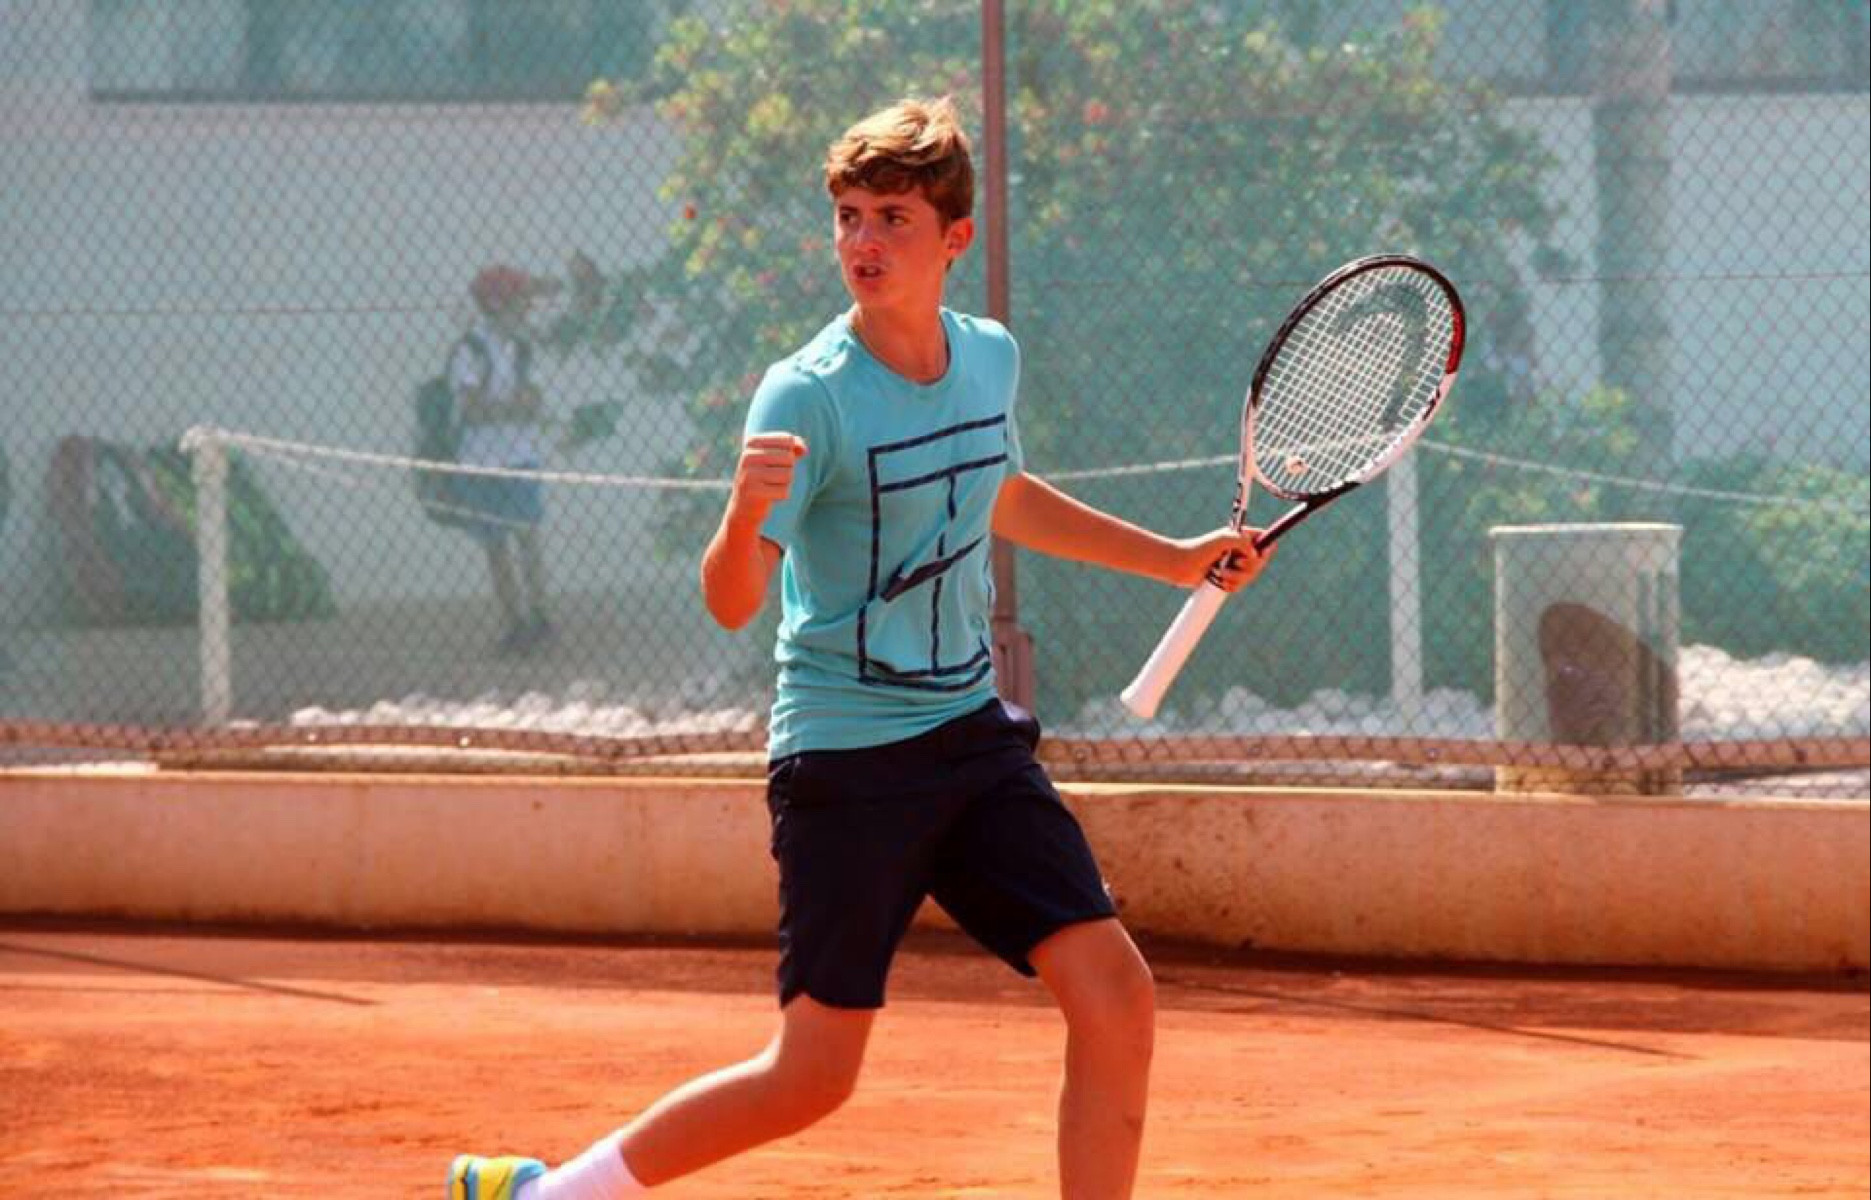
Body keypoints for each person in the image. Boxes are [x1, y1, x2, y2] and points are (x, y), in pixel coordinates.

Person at [449, 96, 1273, 1200]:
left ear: (954, 237)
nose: (863, 242)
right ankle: (549, 1195)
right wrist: (743, 514)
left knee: (1116, 995)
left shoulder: (989, 359)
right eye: (847, 216)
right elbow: (731, 602)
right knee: (811, 1077)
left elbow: (1000, 493)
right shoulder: (807, 393)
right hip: (844, 762)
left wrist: (1173, 559)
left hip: (970, 743)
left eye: (891, 217)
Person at [452, 264, 558, 656]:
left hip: (520, 457)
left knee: (528, 536)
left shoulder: (523, 350)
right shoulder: (470, 350)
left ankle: (539, 617)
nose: (526, 309)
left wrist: (499, 408)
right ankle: (514, 623)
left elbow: (534, 404)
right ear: (497, 305)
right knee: (496, 544)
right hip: (482, 461)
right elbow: (471, 409)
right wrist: (513, 407)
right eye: (519, 302)